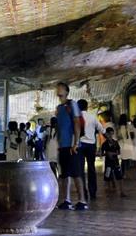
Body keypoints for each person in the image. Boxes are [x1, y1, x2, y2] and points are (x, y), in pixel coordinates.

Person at [55, 82, 87, 211]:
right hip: (63, 145)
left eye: (61, 88)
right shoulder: (59, 107)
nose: (58, 89)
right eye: (57, 88)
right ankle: (67, 200)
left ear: (67, 91)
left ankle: (82, 201)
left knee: (76, 173)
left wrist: (76, 143)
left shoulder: (72, 104)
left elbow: (76, 123)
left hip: (72, 145)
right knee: (65, 174)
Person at [77, 99, 105, 201]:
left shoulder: (76, 118)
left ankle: (83, 192)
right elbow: (102, 129)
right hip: (90, 145)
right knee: (91, 168)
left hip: (80, 145)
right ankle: (93, 192)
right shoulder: (93, 117)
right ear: (87, 107)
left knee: (80, 170)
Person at [101, 127, 126, 198]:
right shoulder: (104, 144)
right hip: (108, 163)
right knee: (107, 177)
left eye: (112, 134)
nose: (110, 136)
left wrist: (112, 154)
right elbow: (102, 153)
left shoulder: (115, 143)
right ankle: (109, 192)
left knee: (119, 177)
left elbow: (119, 152)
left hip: (115, 162)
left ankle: (122, 191)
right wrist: (107, 153)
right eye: (109, 134)